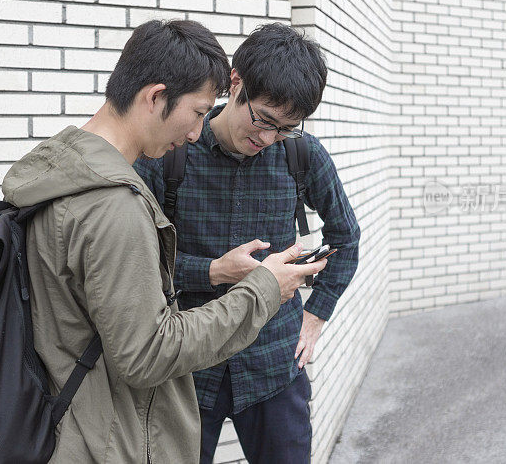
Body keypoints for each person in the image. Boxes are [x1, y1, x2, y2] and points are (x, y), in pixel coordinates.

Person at [1, 19, 327, 463]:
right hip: (103, 434)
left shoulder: (61, 171)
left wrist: (313, 316)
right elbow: (148, 352)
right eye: (196, 112)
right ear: (156, 97)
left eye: (285, 130)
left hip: (76, 419)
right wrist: (262, 286)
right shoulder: (115, 206)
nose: (195, 132)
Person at [134, 23, 360, 463]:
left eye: (285, 128)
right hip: (189, 365)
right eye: (263, 120)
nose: (268, 138)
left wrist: (315, 316)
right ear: (235, 82)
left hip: (275, 359)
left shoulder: (303, 155)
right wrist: (213, 270)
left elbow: (346, 237)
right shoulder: (173, 152)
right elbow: (140, 262)